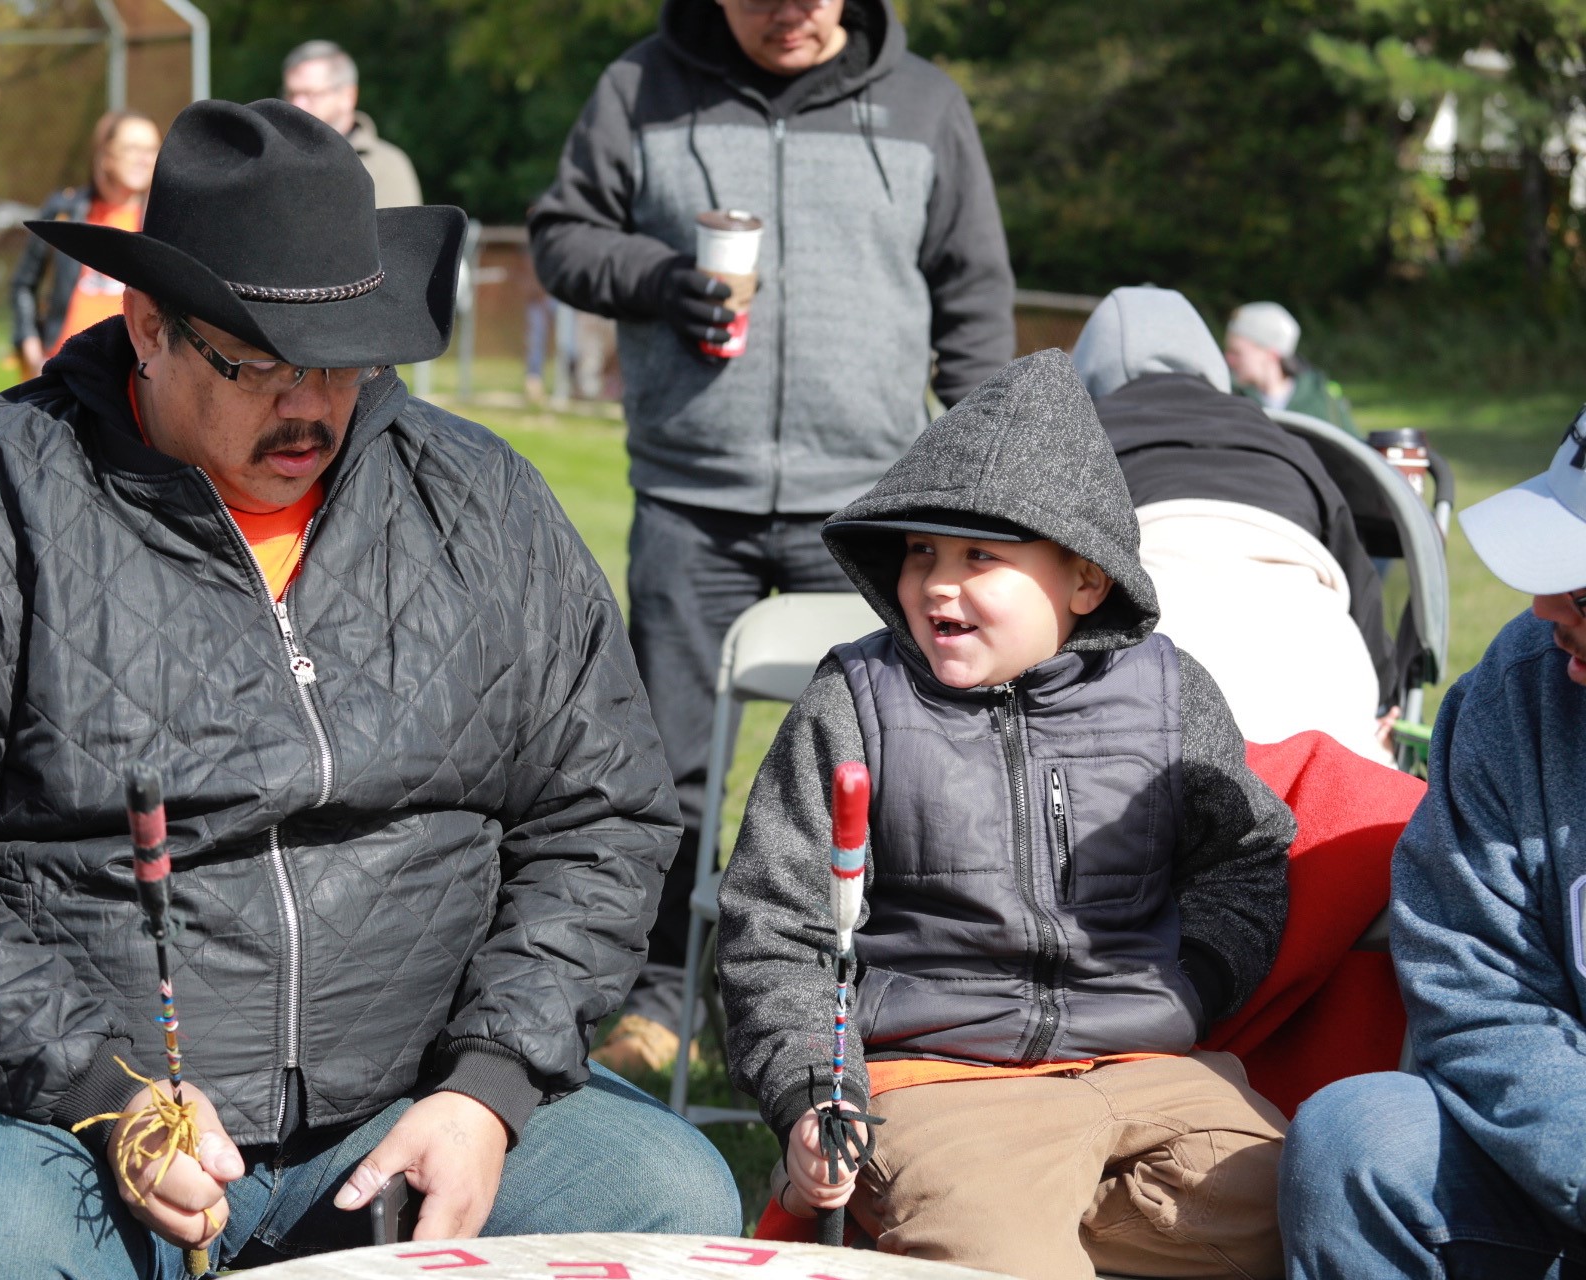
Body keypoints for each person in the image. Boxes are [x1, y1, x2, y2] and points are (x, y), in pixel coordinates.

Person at [0, 99, 739, 1278]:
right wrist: (101, 1086)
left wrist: (490, 1085)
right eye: (264, 364)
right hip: (74, 1104)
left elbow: (606, 810)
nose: (310, 405)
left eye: (342, 361)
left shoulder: (481, 502)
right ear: (148, 327)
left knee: (668, 1196)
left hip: (418, 1093)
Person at [718, 350, 1295, 1279]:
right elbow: (775, 925)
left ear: (1085, 582)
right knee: (1005, 1261)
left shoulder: (1171, 693)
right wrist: (813, 1092)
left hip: (1149, 1066)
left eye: (979, 557)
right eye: (921, 553)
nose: (936, 585)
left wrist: (1197, 983)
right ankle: (1006, 1225)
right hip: (937, 1077)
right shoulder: (853, 700)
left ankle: (1065, 1216)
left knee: (1305, 1209)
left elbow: (1246, 855)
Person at [529, 0, 1017, 1073]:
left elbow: (974, 299)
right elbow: (563, 239)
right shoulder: (638, 88)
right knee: (662, 768)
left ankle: (878, 994)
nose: (789, 14)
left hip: (869, 512)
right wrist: (659, 279)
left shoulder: (926, 105)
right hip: (690, 500)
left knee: (888, 764)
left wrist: (987, 488)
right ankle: (662, 996)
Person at [1279, 412, 1586, 1277]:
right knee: (1358, 1141)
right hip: (1564, 1148)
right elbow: (1477, 985)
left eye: (1582, 591)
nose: (1543, 608)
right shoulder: (1520, 689)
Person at [1072, 286, 1397, 760]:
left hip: (1151, 706)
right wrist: (1383, 694)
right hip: (1325, 698)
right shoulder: (1283, 440)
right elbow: (1363, 593)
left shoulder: (1078, 441)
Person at [10, 109, 161, 379]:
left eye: (151, 150)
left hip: (130, 374)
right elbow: (23, 283)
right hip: (62, 367)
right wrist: (30, 347)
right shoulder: (66, 210)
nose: (144, 158)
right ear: (106, 154)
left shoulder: (161, 220)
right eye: (132, 148)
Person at [282, 40, 422, 209]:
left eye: (310, 94)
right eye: (291, 94)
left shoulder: (386, 165)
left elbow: (397, 226)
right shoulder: (273, 157)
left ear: (348, 96)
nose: (297, 104)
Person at [1223, 301, 1358, 435]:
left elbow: (1354, 445)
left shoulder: (1323, 401)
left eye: (1236, 352)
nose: (1228, 359)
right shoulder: (1229, 398)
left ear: (1272, 354)